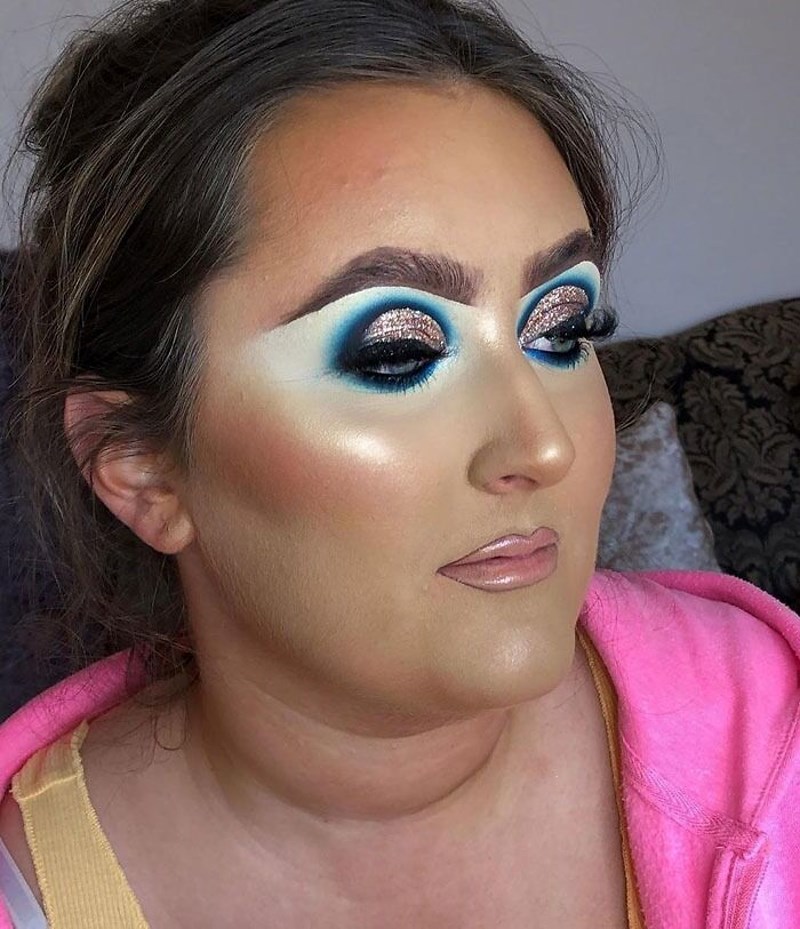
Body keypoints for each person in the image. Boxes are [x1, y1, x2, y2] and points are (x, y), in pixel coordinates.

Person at [0, 1, 798, 926]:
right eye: (398, 353)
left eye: (562, 329)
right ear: (138, 463)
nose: (548, 444)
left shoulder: (767, 731)